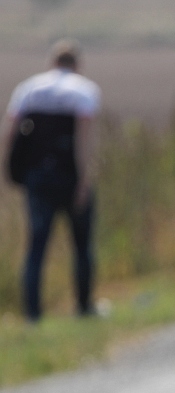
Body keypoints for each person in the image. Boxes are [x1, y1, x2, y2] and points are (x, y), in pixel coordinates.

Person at [2, 39, 100, 322]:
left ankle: (33, 314)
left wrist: (9, 172)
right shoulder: (83, 91)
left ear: (51, 63)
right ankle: (84, 307)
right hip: (69, 177)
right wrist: (84, 181)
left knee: (36, 246)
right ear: (77, 65)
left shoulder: (29, 89)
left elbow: (10, 135)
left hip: (37, 178)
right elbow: (83, 141)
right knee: (81, 244)